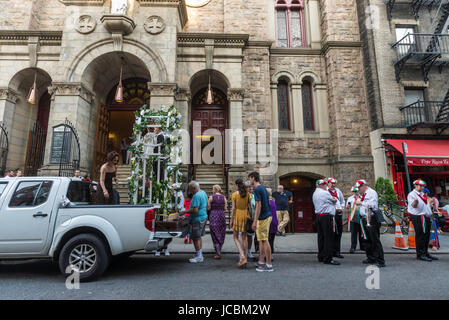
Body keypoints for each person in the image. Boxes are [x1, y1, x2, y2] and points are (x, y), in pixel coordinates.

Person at [355, 179, 385, 267]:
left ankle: (380, 260)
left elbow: (372, 205)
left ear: (364, 185)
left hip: (371, 218)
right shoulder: (364, 194)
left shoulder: (372, 193)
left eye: (359, 187)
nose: (358, 189)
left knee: (374, 239)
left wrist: (360, 202)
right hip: (365, 218)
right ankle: (371, 257)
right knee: (367, 240)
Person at [249, 171, 273, 272]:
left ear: (253, 178)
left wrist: (254, 221)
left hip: (263, 217)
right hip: (265, 216)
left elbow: (259, 205)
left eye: (250, 178)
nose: (249, 180)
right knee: (261, 240)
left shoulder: (257, 189)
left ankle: (268, 265)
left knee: (264, 240)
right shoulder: (262, 187)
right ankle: (261, 261)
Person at [407, 180, 437, 262]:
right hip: (419, 217)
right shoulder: (412, 195)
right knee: (421, 236)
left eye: (423, 186)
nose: (422, 187)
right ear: (415, 186)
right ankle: (420, 254)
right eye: (420, 186)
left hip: (425, 216)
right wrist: (416, 201)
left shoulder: (423, 194)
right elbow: (413, 205)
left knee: (426, 235)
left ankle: (425, 252)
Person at [180, 181, 208, 263]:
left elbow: (195, 209)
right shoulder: (203, 192)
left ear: (194, 188)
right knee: (198, 237)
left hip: (197, 219)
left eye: (191, 189)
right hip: (203, 217)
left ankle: (199, 256)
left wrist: (184, 212)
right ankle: (199, 254)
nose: (190, 191)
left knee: (196, 238)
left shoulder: (196, 196)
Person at [313, 179, 340, 266]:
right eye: (324, 184)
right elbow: (334, 200)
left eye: (325, 184)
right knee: (328, 237)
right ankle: (328, 258)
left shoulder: (315, 193)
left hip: (319, 216)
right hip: (326, 216)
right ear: (319, 185)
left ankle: (321, 255)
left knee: (321, 237)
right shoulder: (325, 193)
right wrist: (334, 199)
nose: (325, 186)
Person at [230, 178, 252, 268]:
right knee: (244, 237)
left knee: (235, 237)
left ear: (236, 186)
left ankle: (242, 255)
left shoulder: (234, 195)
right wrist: (251, 217)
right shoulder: (248, 195)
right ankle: (245, 257)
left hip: (238, 216)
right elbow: (250, 208)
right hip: (245, 215)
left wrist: (231, 220)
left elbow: (233, 208)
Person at [207, 185, 227, 259]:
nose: (212, 190)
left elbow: (208, 208)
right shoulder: (224, 198)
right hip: (221, 215)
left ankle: (217, 251)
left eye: (213, 189)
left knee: (214, 232)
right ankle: (219, 248)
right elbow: (225, 208)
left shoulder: (211, 197)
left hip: (213, 215)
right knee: (221, 231)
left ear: (215, 189)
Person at [327, 178, 345, 259]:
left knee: (338, 233)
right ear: (328, 183)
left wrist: (342, 207)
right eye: (332, 183)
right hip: (330, 214)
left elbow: (342, 201)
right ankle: (330, 251)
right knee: (331, 233)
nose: (333, 185)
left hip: (338, 213)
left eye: (334, 183)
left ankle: (337, 251)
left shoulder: (338, 191)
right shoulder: (325, 191)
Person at [346, 186, 365, 253]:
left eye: (356, 191)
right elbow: (347, 207)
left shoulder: (362, 197)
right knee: (353, 233)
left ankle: (362, 246)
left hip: (360, 216)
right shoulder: (350, 198)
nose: (355, 193)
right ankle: (353, 247)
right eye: (354, 191)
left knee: (361, 232)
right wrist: (347, 206)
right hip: (353, 217)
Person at [245, 181, 257, 260]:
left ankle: (249, 251)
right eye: (249, 187)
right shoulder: (244, 196)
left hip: (251, 218)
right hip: (244, 218)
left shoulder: (253, 196)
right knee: (242, 236)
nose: (251, 188)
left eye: (252, 187)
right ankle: (243, 252)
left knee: (250, 236)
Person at [267, 188, 278, 258]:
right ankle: (270, 254)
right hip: (274, 220)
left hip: (269, 221)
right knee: (271, 239)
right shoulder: (273, 201)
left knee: (267, 239)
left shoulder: (266, 202)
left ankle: (268, 255)